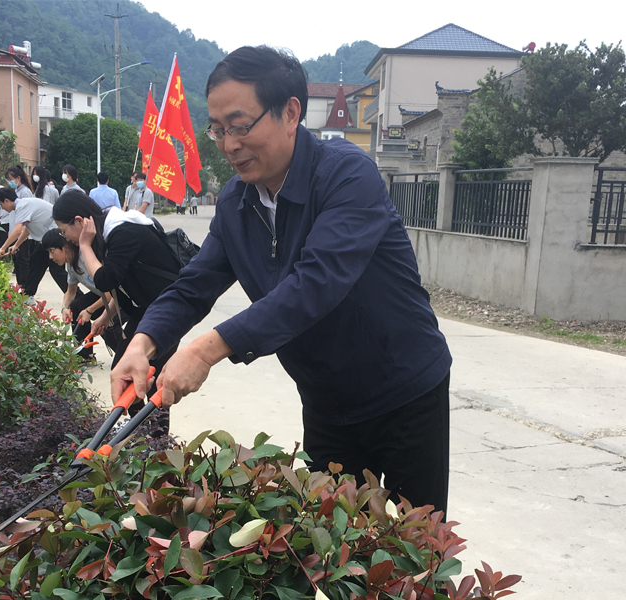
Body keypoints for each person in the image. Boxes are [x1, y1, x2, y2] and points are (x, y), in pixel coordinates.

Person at [110, 46, 453, 515]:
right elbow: (194, 285)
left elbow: (315, 285)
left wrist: (206, 349)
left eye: (241, 125)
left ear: (290, 112)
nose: (229, 144)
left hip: (405, 390)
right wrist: (142, 343)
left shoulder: (347, 175)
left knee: (419, 548)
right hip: (327, 403)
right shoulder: (235, 203)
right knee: (333, 551)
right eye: (218, 129)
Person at [52, 189, 179, 433]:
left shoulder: (122, 232)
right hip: (147, 309)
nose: (65, 237)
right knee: (122, 371)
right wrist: (104, 317)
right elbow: (121, 288)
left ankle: (158, 440)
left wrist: (85, 244)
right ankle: (142, 431)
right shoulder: (109, 236)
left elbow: (105, 280)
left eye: (63, 230)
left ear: (79, 222)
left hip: (169, 308)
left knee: (153, 379)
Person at [42, 228, 123, 362]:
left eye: (52, 251)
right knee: (75, 306)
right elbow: (71, 292)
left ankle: (127, 358)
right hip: (102, 295)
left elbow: (110, 293)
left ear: (65, 247)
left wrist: (89, 311)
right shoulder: (71, 266)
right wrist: (65, 308)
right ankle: (84, 355)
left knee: (108, 326)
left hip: (121, 296)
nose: (50, 257)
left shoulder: (85, 259)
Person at [0, 187, 69, 303]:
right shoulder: (24, 205)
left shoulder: (22, 206)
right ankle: (28, 294)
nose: (2, 208)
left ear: (7, 201)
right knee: (35, 262)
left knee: (56, 271)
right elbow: (27, 230)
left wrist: (2, 248)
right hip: (47, 238)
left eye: (1, 204)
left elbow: (17, 230)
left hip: (55, 235)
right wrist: (16, 245)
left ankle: (74, 296)